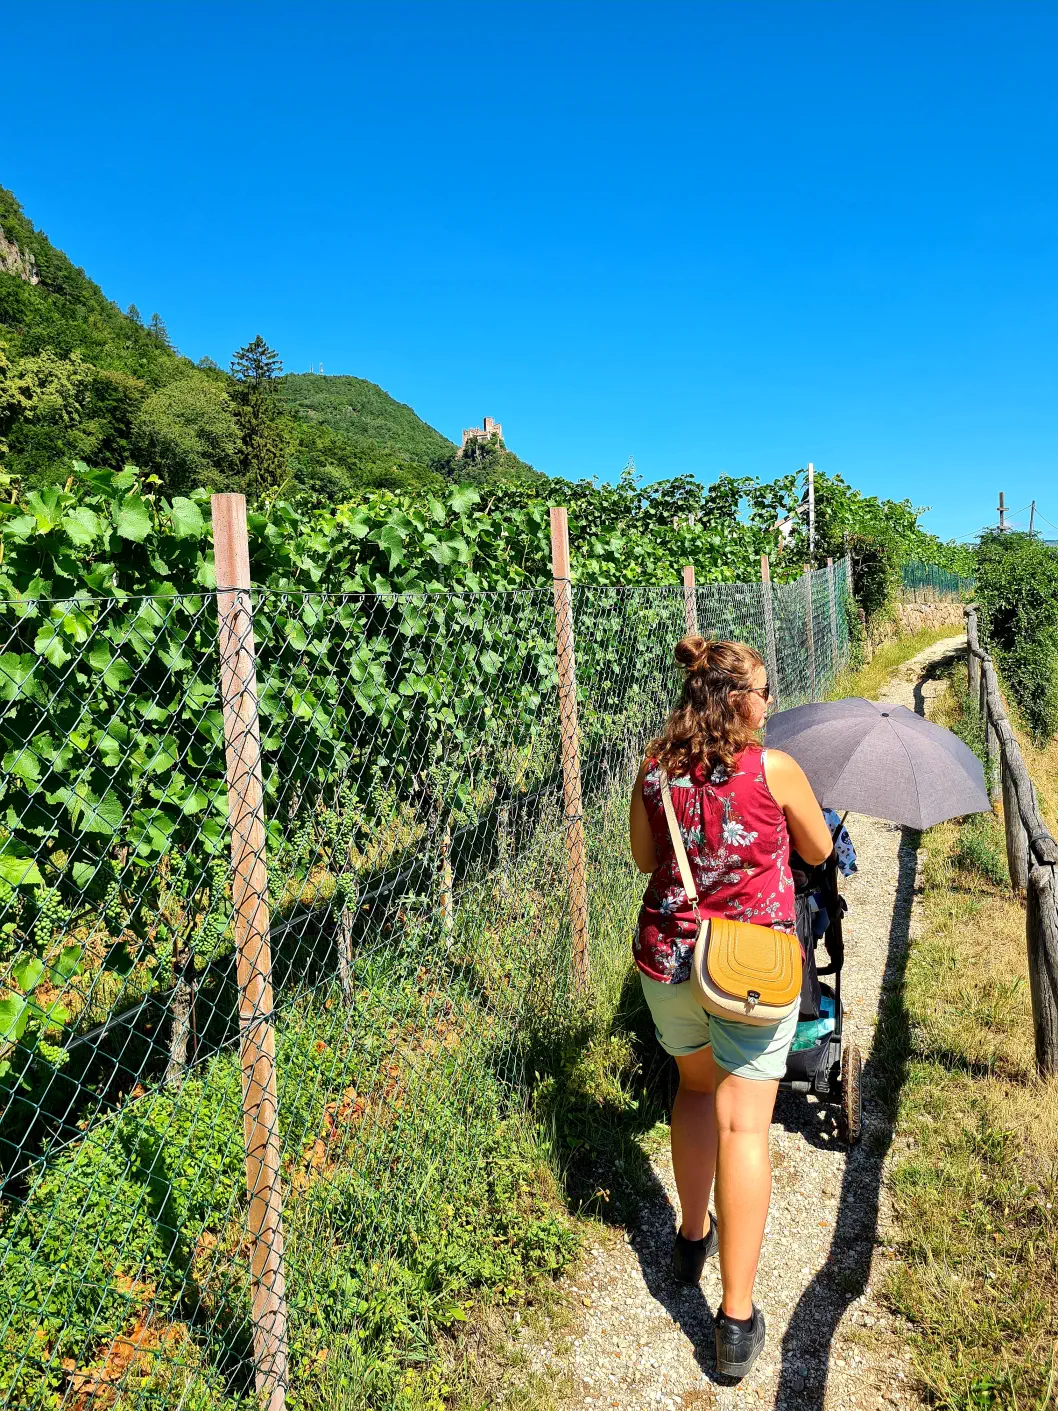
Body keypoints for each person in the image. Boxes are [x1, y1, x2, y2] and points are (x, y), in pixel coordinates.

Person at [628, 634, 833, 1378]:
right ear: (737, 699)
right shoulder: (774, 769)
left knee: (693, 1089)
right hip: (749, 969)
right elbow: (818, 850)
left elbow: (645, 859)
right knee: (744, 1123)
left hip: (671, 959)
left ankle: (691, 1239)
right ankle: (736, 1320)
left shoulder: (655, 769)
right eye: (765, 692)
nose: (770, 704)